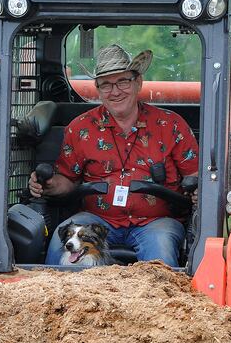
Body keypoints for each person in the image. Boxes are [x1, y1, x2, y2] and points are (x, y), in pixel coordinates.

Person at [29, 44, 199, 267]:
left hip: (157, 221)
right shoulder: (80, 128)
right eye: (106, 85)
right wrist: (46, 184)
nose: (115, 91)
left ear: (138, 82)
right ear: (97, 89)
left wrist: (199, 191)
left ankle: (157, 301)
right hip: (96, 219)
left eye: (122, 82)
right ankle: (51, 297)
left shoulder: (171, 125)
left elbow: (196, 175)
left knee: (161, 248)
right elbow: (67, 179)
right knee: (61, 242)